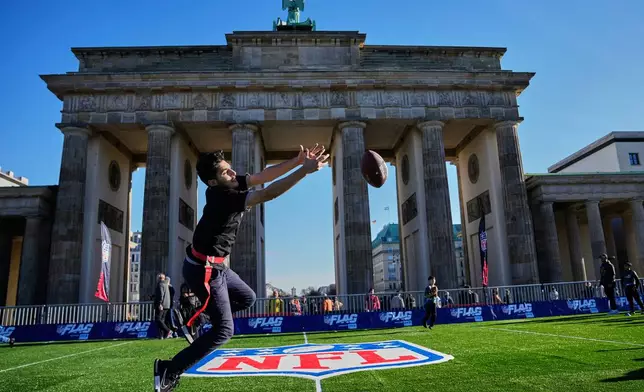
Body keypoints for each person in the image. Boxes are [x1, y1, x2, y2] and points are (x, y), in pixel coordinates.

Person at [153, 145, 329, 392]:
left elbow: (262, 177)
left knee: (248, 297)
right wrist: (304, 172)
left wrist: (297, 161)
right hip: (204, 269)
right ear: (213, 182)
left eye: (230, 168)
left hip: (218, 267)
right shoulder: (222, 198)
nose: (233, 173)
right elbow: (268, 194)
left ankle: (193, 314)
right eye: (226, 173)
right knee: (224, 330)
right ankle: (169, 369)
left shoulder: (231, 184)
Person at [154, 273, 172, 339]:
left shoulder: (160, 284)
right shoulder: (166, 284)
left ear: (159, 278)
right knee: (162, 320)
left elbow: (161, 295)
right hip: (167, 304)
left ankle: (168, 331)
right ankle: (162, 335)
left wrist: (160, 303)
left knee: (158, 319)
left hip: (162, 304)